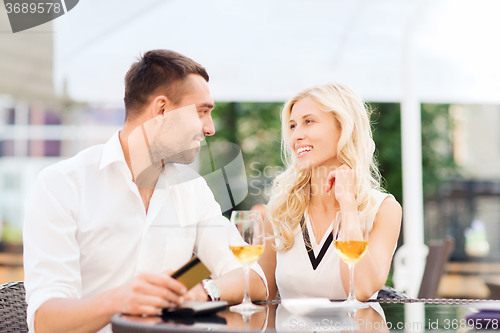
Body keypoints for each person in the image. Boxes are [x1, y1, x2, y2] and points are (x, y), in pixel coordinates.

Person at [23, 49, 267, 333]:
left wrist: (202, 290)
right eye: (202, 111)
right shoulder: (61, 185)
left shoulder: (192, 189)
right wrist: (120, 299)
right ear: (162, 110)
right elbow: (46, 322)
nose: (209, 128)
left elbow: (254, 280)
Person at [258, 83, 402, 300]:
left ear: (345, 128)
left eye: (309, 122)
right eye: (293, 126)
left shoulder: (384, 209)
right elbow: (262, 292)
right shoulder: (280, 210)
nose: (296, 135)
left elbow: (361, 289)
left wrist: (348, 204)